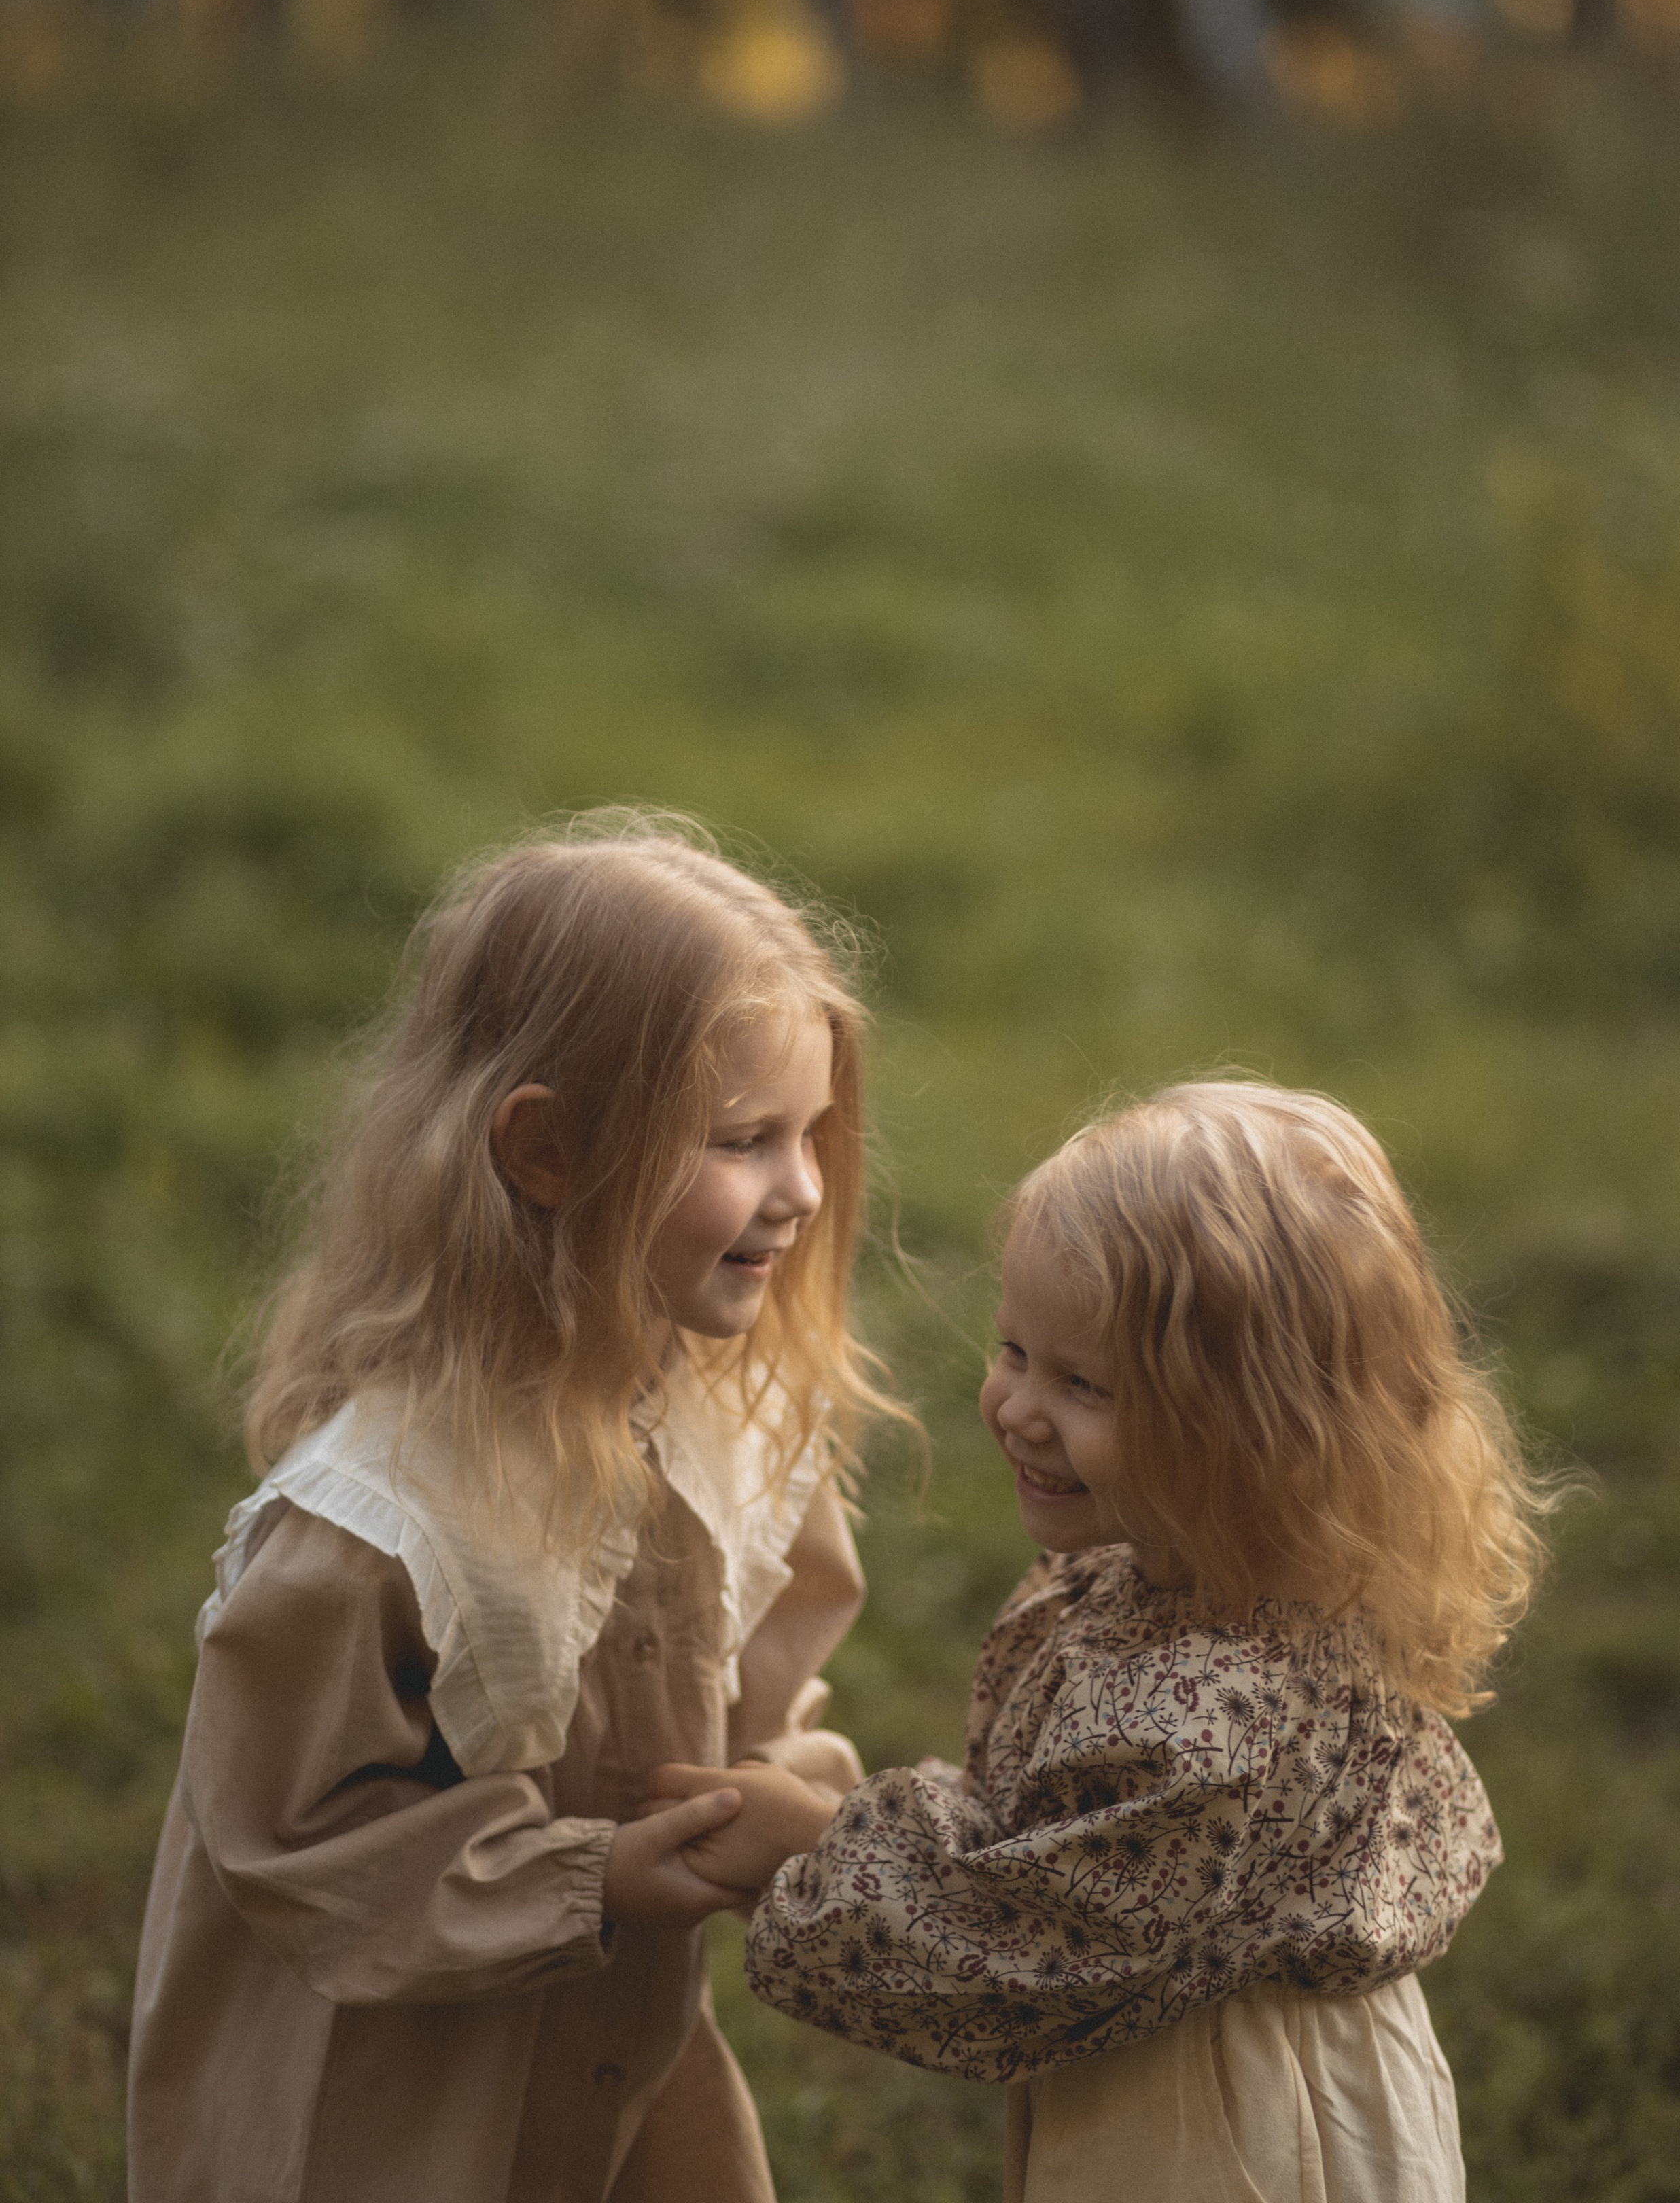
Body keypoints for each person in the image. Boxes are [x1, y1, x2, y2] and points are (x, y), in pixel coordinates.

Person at [128, 813, 898, 2203]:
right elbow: (289, 1843)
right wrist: (585, 1879)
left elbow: (770, 1666)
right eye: (739, 1139)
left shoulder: (729, 1413)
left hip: (621, 2057)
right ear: (545, 1152)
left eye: (810, 1134)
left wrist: (774, 1796)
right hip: (399, 2100)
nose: (797, 1190)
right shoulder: (378, 1523)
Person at [650, 1080, 1556, 2202]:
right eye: (1015, 1350)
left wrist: (816, 1854)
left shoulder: (1208, 1714)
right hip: (1199, 2061)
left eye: (1084, 1384)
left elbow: (1027, 1955)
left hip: (1229, 2127)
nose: (1018, 1407)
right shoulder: (1207, 1569)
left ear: (1252, 1429)